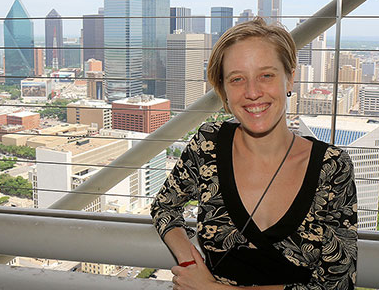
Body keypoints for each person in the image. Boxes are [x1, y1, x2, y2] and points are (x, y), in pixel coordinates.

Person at [150, 17, 357, 289]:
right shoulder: (208, 145)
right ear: (223, 90)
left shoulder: (331, 167)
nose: (252, 92)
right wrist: (191, 265)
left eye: (266, 75)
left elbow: (337, 284)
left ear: (290, 79)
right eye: (237, 79)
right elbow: (165, 206)